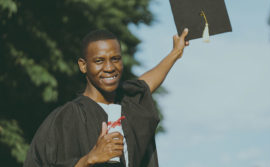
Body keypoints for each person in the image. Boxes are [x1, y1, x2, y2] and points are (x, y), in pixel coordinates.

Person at [24, 28, 189, 167]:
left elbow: (147, 82)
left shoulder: (128, 103)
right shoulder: (67, 117)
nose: (109, 67)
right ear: (83, 65)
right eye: (99, 61)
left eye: (115, 59)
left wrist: (175, 52)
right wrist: (90, 159)